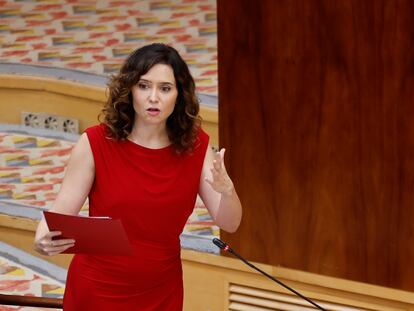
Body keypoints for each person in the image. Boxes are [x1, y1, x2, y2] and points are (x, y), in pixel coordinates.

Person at [34, 43, 242, 310]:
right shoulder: (96, 142)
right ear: (129, 89)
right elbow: (60, 211)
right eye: (144, 86)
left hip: (160, 292)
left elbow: (230, 223)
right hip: (96, 291)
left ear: (179, 95)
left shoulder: (196, 147)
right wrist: (43, 238)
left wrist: (227, 191)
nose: (153, 97)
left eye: (165, 88)